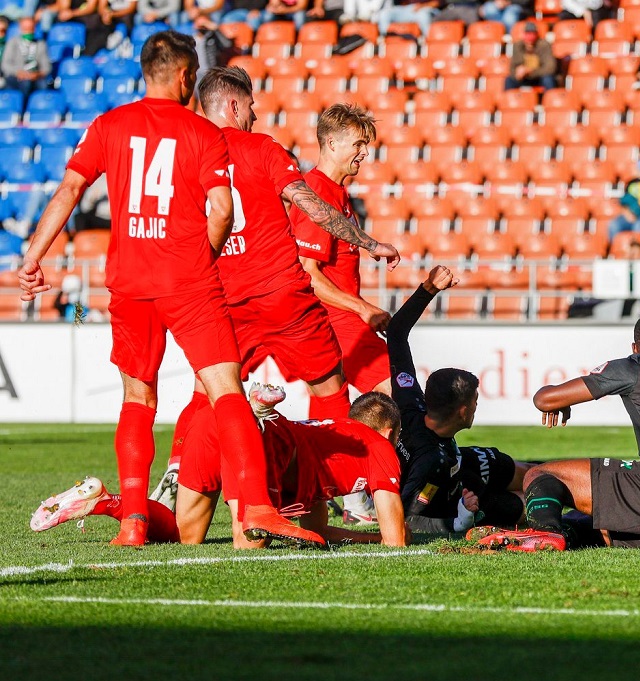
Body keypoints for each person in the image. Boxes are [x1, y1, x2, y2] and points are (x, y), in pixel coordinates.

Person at [17, 31, 317, 549]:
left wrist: (33, 256)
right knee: (226, 389)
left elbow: (69, 188)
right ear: (185, 77)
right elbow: (221, 210)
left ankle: (134, 519)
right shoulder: (202, 132)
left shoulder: (109, 124)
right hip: (188, 281)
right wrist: (203, 257)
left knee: (138, 397)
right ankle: (259, 509)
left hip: (130, 283)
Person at [147, 67, 403, 511]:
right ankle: (335, 484)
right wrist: (369, 243)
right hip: (281, 295)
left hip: (222, 298)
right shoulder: (262, 148)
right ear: (232, 105)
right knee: (330, 391)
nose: (255, 115)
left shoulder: (185, 156)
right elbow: (307, 206)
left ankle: (178, 473)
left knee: (208, 391)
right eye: (250, 107)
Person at [470, 310, 640, 552]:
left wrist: (561, 403)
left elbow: (544, 399)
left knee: (540, 474)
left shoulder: (634, 366)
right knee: (594, 526)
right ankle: (559, 533)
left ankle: (544, 533)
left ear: (635, 346)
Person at [31, 390, 410, 548]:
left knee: (184, 536)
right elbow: (397, 540)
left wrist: (369, 539)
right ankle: (257, 416)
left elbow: (318, 530)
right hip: (262, 444)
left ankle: (108, 502)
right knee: (251, 542)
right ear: (389, 431)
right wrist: (386, 538)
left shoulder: (333, 435)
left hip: (214, 425)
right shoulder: (378, 445)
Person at [386, 266, 532, 535]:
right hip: (451, 498)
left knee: (530, 474)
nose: (477, 408)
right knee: (527, 506)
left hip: (460, 465)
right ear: (462, 411)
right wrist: (458, 521)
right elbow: (405, 519)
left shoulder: (410, 402)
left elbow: (395, 333)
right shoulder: (429, 462)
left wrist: (429, 289)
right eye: (475, 403)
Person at [289, 103, 394, 401]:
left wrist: (367, 245)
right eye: (358, 144)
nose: (364, 153)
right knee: (394, 392)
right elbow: (307, 272)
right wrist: (362, 308)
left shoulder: (337, 193)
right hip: (334, 320)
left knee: (336, 409)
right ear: (332, 144)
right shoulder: (319, 193)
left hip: (342, 317)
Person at [0, 16, 48, 96]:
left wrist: (37, 74)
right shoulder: (12, 43)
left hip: (35, 77)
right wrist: (19, 73)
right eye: (26, 28)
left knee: (42, 85)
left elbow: (47, 67)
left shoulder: (40, 44)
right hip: (15, 76)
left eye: (31, 28)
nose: (28, 31)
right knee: (23, 84)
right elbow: (6, 65)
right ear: (21, 29)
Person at [504, 21, 556, 91]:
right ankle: (509, 100)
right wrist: (517, 73)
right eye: (527, 34)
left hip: (539, 77)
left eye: (532, 34)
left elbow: (550, 68)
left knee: (548, 79)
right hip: (524, 78)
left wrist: (530, 71)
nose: (530, 38)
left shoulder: (544, 45)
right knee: (509, 80)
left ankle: (549, 100)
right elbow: (512, 67)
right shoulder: (517, 46)